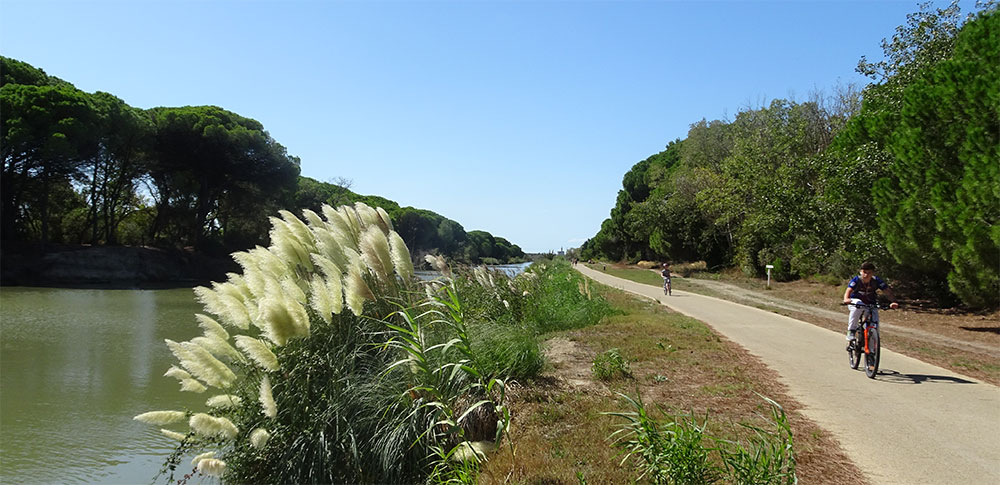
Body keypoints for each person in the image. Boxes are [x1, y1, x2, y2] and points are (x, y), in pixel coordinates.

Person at [842, 262, 898, 349]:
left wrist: (893, 301)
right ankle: (851, 331)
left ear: (873, 273)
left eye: (869, 273)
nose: (866, 275)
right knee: (858, 305)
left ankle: (872, 350)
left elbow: (887, 291)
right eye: (864, 272)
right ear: (860, 271)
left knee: (875, 322)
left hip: (870, 303)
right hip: (855, 302)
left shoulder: (876, 281)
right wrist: (846, 299)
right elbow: (848, 290)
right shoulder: (856, 280)